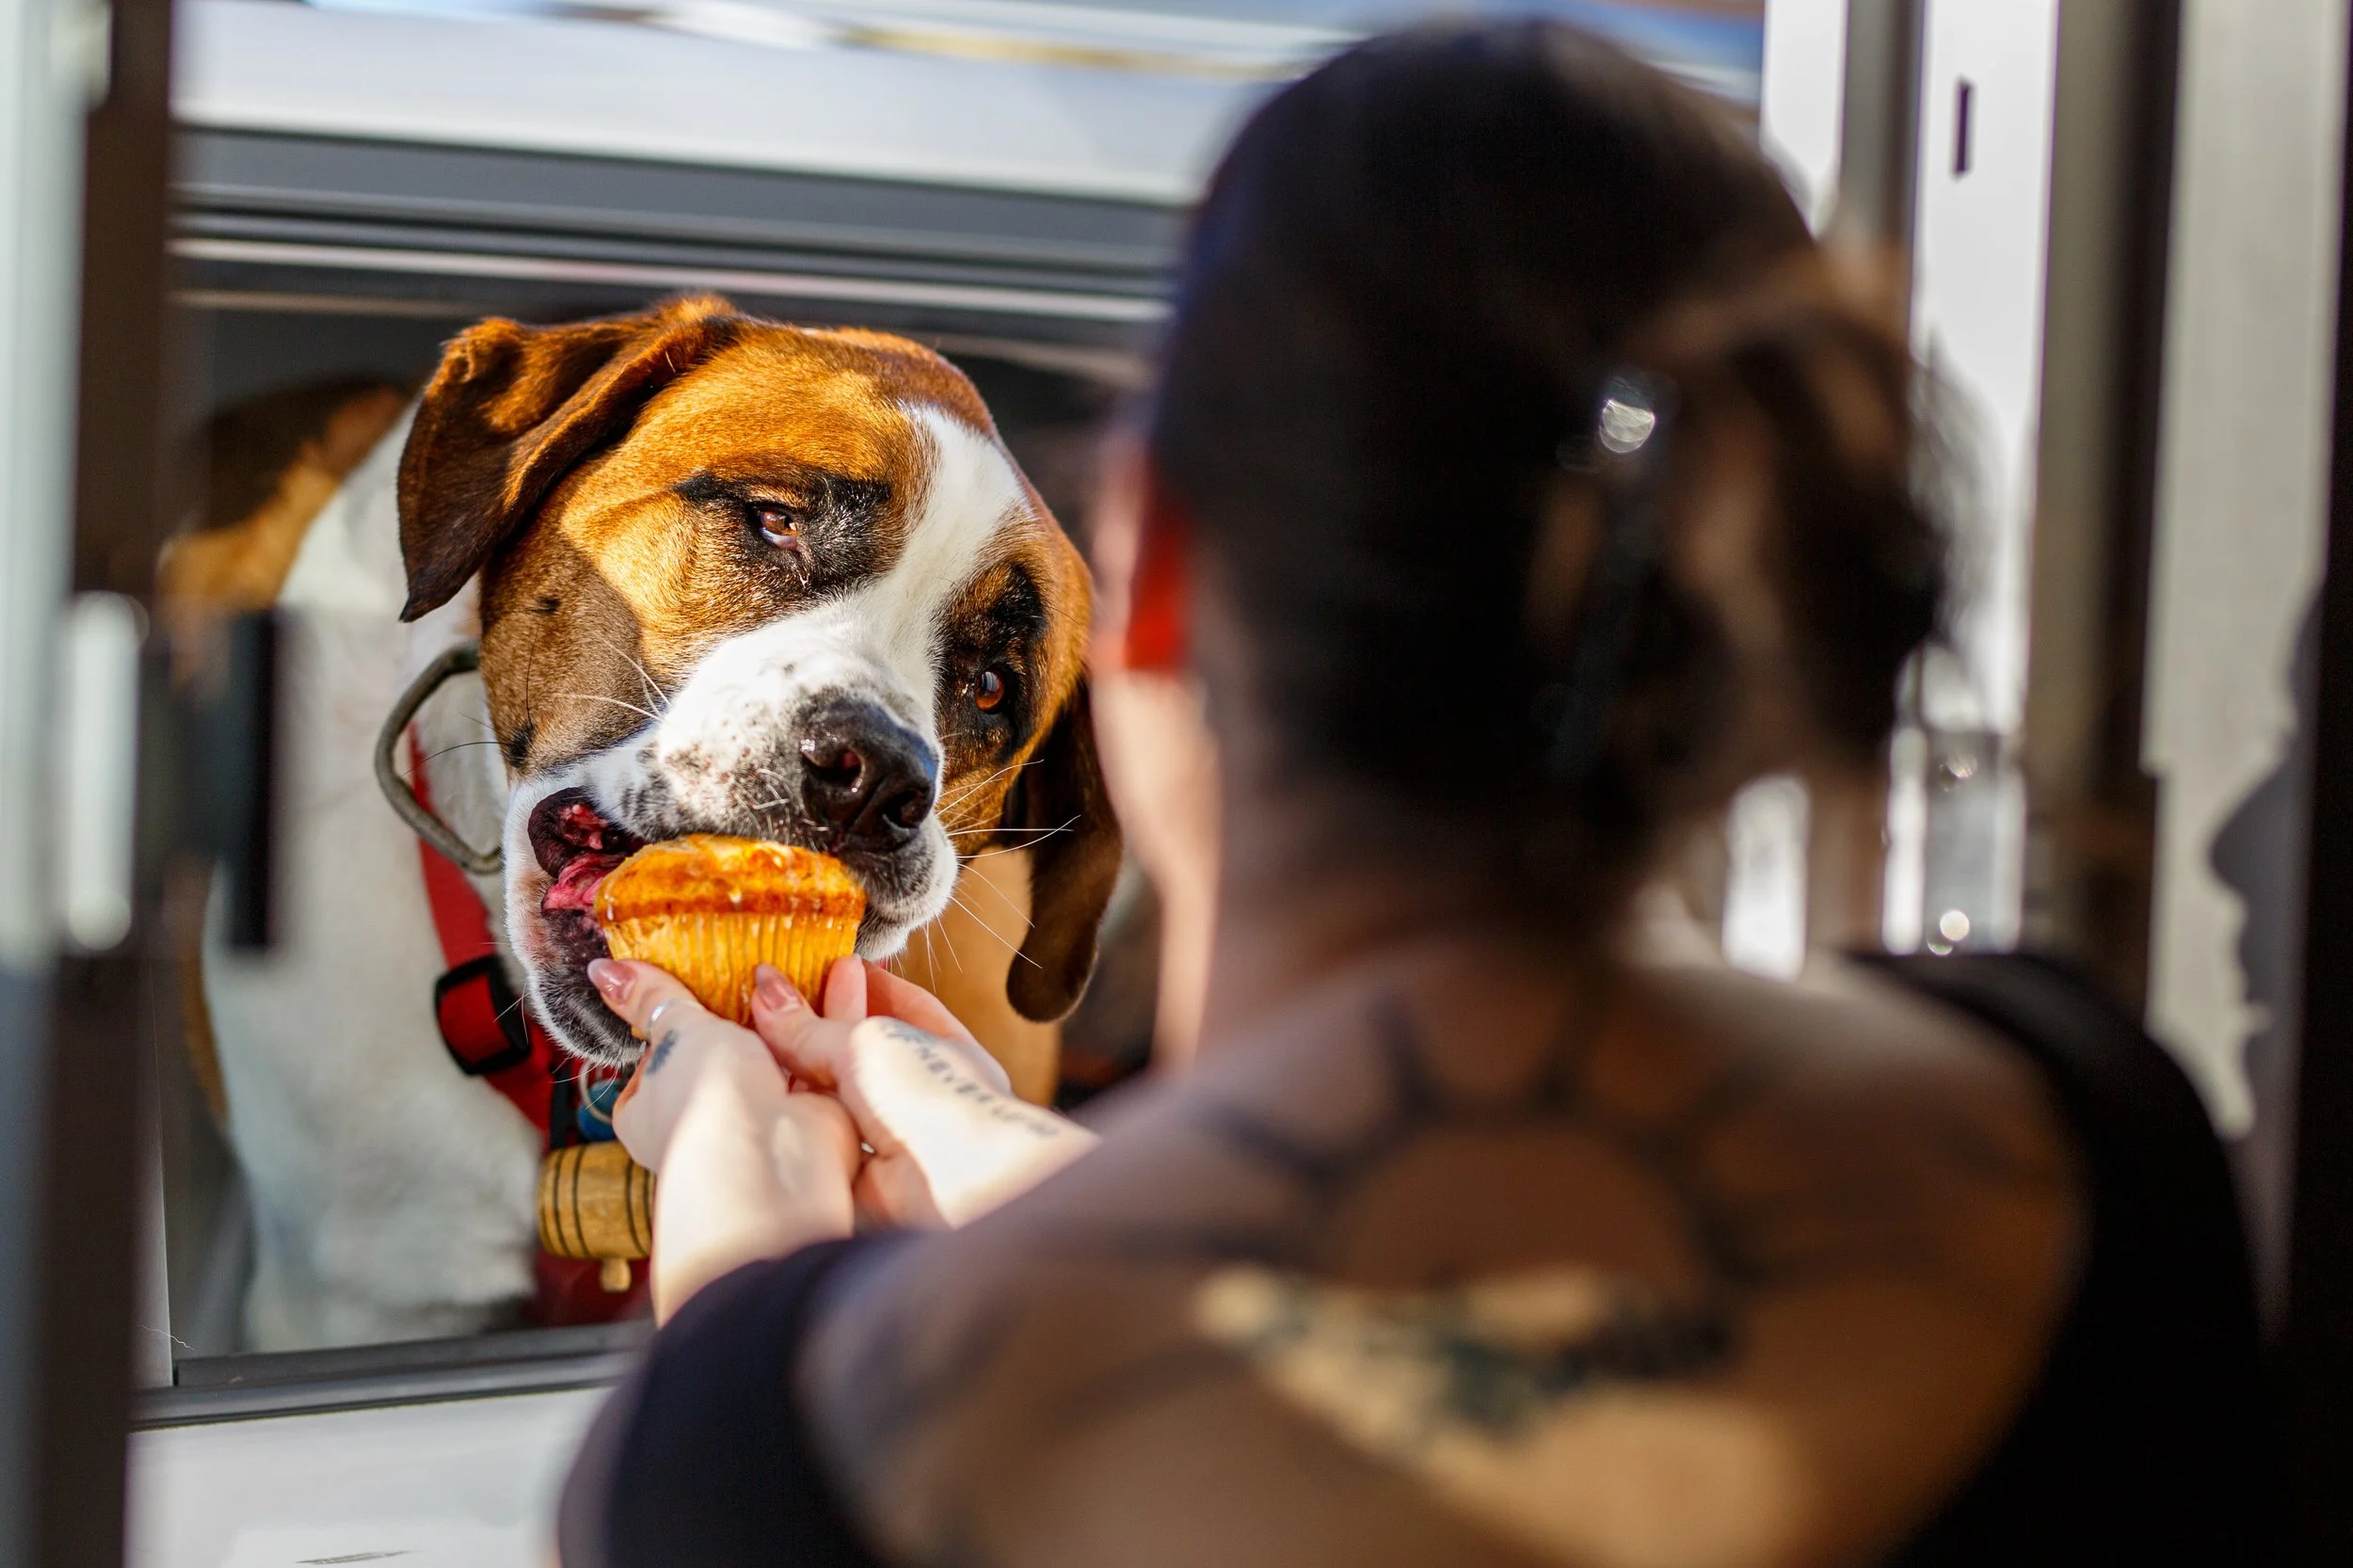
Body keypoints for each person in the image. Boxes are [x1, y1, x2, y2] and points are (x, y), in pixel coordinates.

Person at [560, 22, 2265, 1567]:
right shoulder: (2082, 1110)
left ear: (1155, 569)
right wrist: (992, 1148)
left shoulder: (834, 1425)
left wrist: (743, 1273)